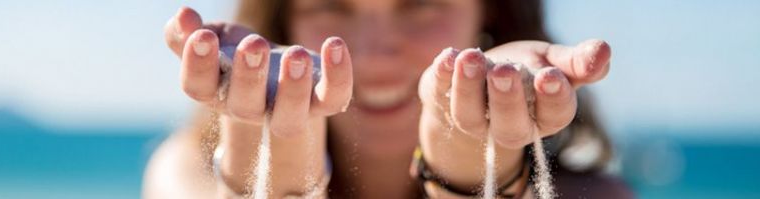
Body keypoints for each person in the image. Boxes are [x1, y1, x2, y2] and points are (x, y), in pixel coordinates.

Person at [144, 0, 632, 198]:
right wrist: (270, 163)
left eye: (418, 4)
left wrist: (468, 160)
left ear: (492, 14)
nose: (375, 50)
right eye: (331, 4)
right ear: (283, 21)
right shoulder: (187, 176)